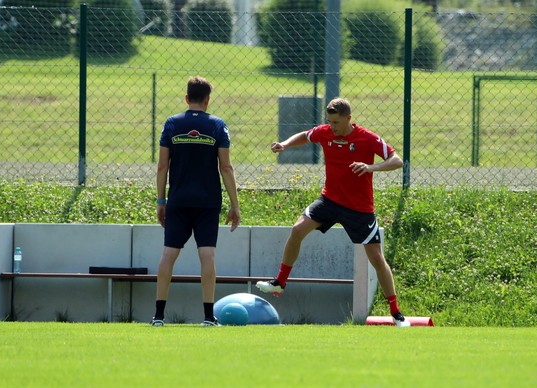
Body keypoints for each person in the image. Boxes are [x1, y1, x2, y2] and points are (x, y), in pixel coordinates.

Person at [256, 97, 411, 327]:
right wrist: (285, 144)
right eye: (329, 122)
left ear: (349, 118)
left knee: (377, 258)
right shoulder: (325, 132)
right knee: (297, 229)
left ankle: (396, 313)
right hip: (329, 200)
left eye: (336, 122)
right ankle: (280, 282)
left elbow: (396, 160)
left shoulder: (367, 138)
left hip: (359, 208)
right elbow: (306, 136)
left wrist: (370, 167)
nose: (332, 127)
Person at [151, 76, 241, 327]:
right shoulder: (217, 126)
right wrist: (235, 205)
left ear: (187, 98)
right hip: (208, 202)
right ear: (208, 99)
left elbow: (161, 167)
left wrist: (161, 200)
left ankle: (158, 316)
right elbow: (226, 167)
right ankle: (208, 317)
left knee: (168, 254)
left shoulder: (171, 124)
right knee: (208, 256)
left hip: (178, 201)